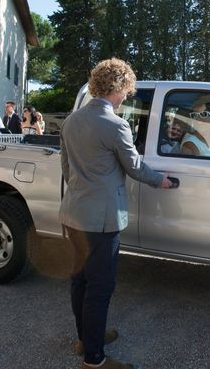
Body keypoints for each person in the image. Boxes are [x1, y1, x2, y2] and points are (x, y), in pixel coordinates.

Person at [59, 58, 172, 369]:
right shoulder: (115, 125)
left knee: (80, 281)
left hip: (74, 214)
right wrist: (161, 180)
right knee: (100, 287)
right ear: (119, 88)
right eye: (126, 91)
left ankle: (86, 338)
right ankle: (94, 360)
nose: (126, 97)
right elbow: (135, 167)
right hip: (102, 220)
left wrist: (85, 194)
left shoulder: (70, 122)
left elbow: (67, 169)